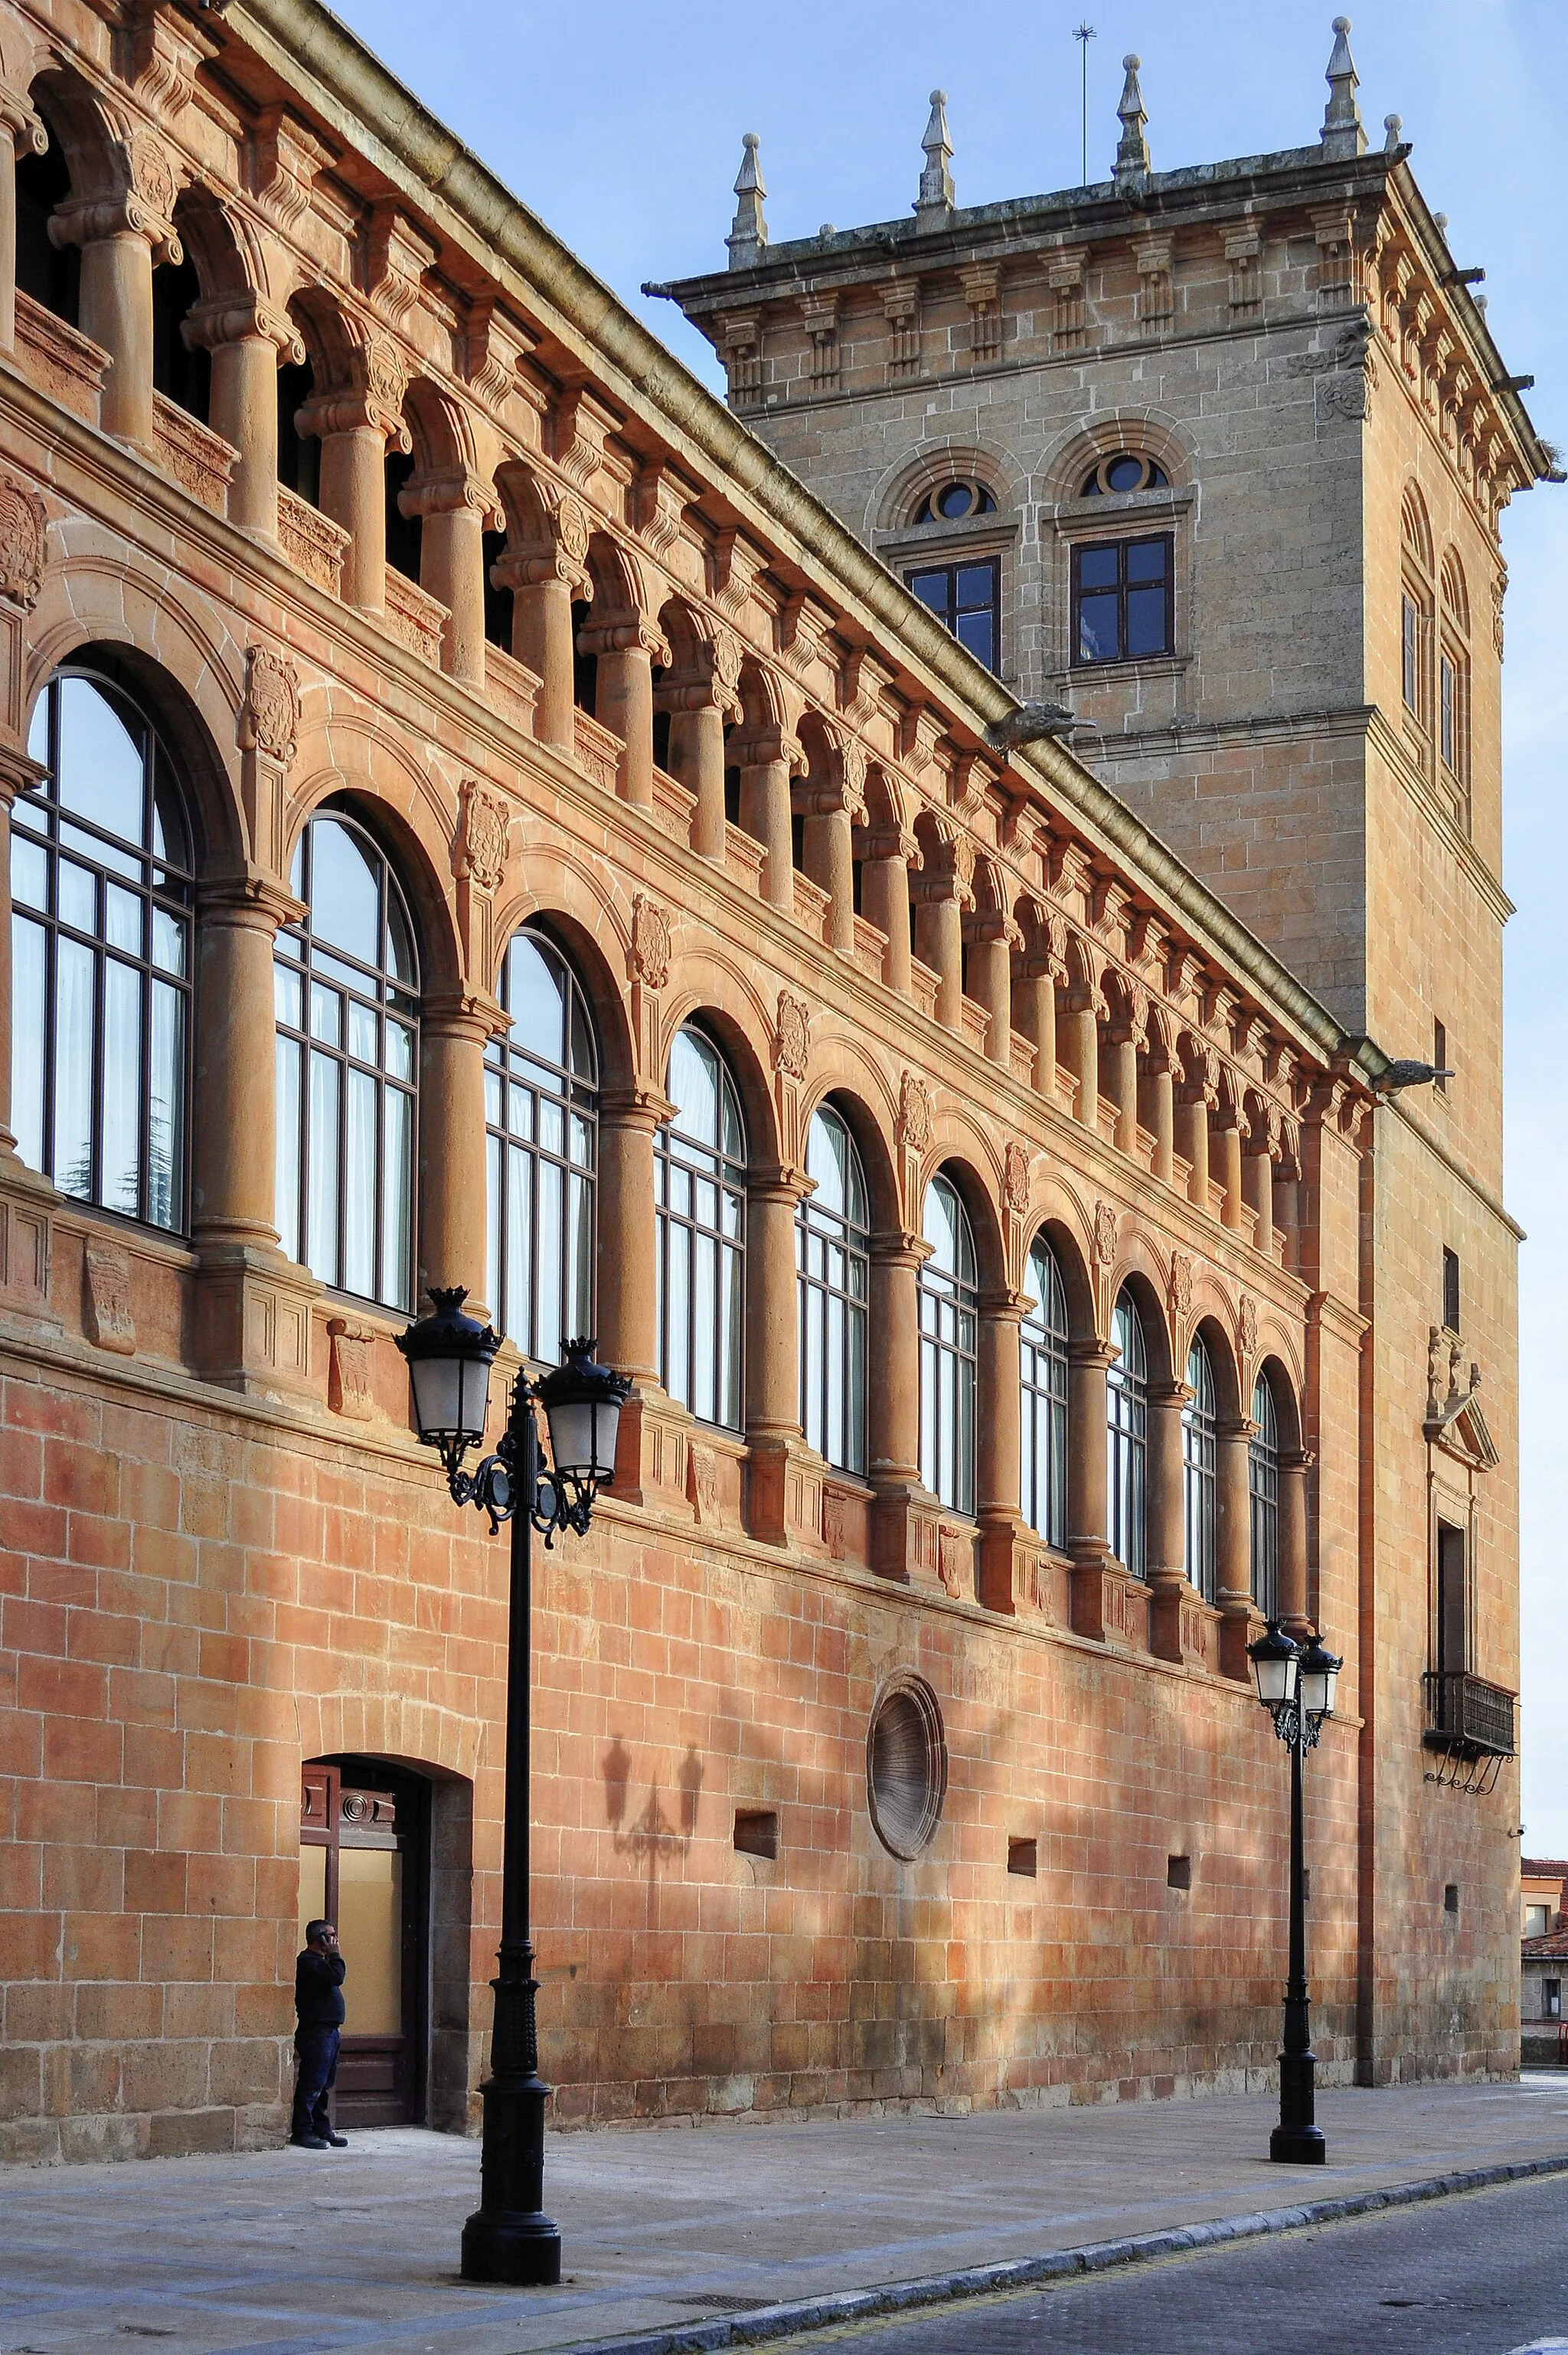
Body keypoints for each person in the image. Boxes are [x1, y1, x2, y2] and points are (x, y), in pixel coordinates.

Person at [291, 1917, 348, 2149]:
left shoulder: (320, 1962)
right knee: (312, 2083)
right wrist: (335, 1954)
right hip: (316, 2033)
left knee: (323, 2084)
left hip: (330, 2032)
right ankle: (302, 2131)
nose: (335, 1939)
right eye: (331, 1935)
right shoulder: (308, 1962)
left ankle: (321, 2128)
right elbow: (337, 1977)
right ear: (321, 1939)